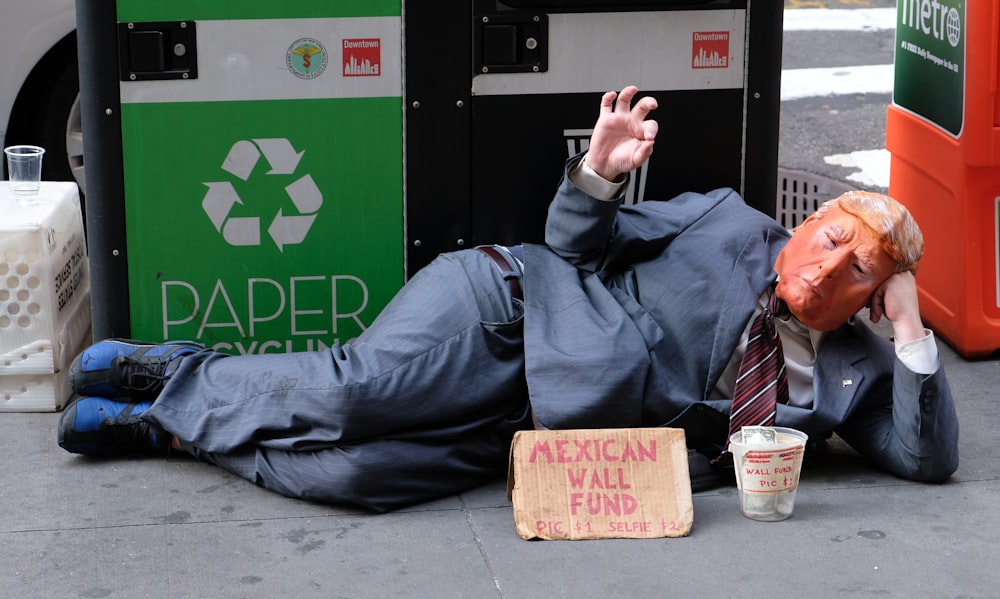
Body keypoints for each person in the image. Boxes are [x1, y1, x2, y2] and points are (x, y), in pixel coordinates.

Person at [57, 86, 959, 512]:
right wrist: (598, 176)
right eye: (833, 240)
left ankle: (169, 424)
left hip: (538, 434)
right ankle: (171, 374)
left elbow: (925, 461)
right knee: (351, 394)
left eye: (862, 273)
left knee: (356, 476)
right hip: (513, 311)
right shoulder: (727, 223)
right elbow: (577, 244)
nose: (827, 269)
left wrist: (913, 331)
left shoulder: (858, 371)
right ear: (805, 224)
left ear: (880, 298)